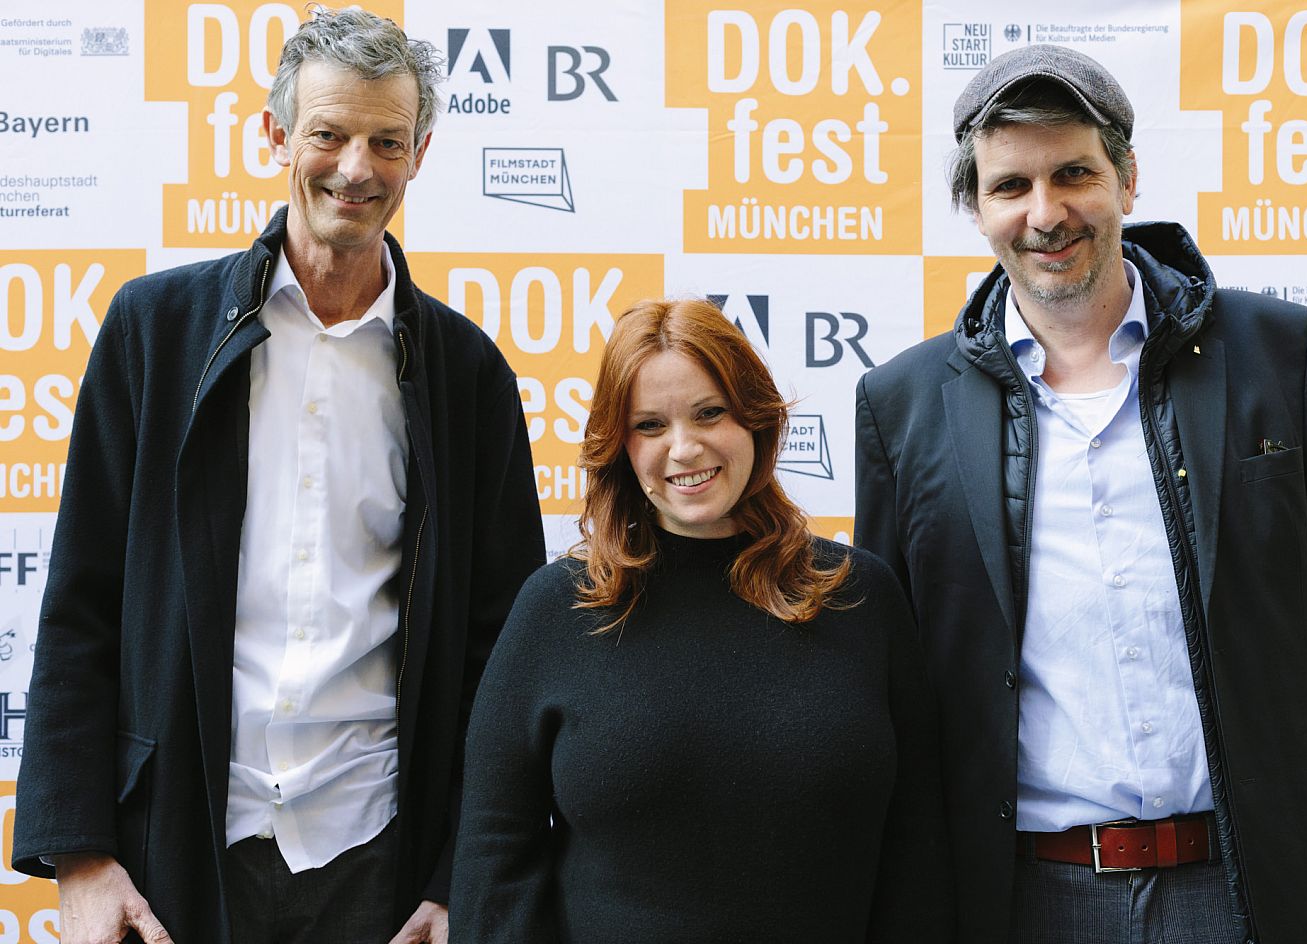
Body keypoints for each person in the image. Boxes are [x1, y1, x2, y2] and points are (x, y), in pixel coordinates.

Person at [854, 43, 1307, 944]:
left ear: (1126, 178)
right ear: (977, 208)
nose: (1046, 213)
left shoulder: (1278, 353)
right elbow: (887, 697)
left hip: (1251, 887)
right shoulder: (902, 407)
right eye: (1011, 186)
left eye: (1074, 173)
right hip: (1025, 901)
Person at [12, 9, 545, 944]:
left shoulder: (468, 376)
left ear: (419, 154)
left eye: (387, 141)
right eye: (328, 134)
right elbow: (80, 606)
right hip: (178, 845)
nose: (356, 168)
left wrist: (462, 877)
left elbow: (502, 659)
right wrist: (80, 855)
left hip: (378, 858)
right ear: (276, 136)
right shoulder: (154, 332)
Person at [448, 298, 948, 943]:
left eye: (710, 413)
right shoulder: (557, 609)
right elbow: (494, 857)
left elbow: (918, 851)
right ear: (619, 445)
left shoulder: (860, 597)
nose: (684, 449)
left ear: (756, 418)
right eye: (649, 425)